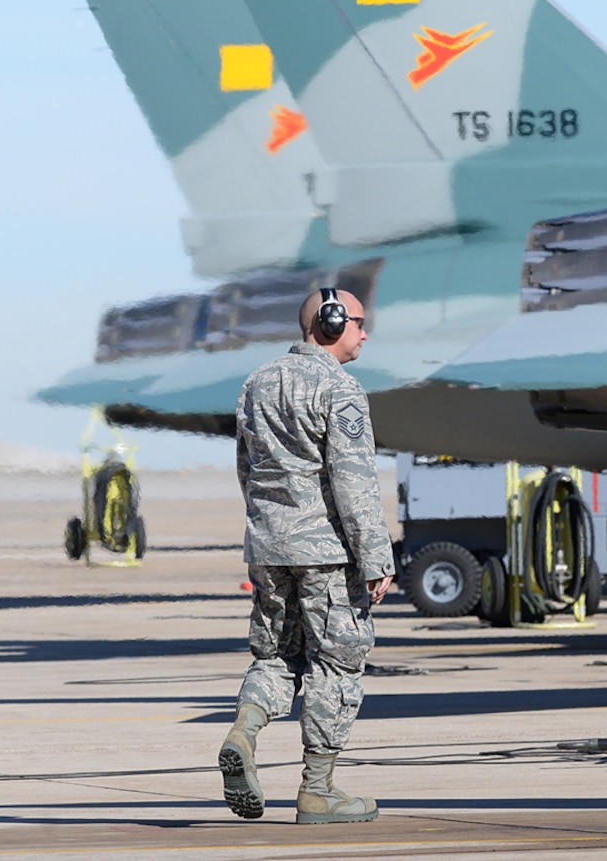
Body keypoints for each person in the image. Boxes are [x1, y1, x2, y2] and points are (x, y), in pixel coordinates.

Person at [217, 287, 395, 824]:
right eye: (359, 322)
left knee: (275, 657)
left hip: (269, 548)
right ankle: (318, 791)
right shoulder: (340, 389)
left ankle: (243, 734)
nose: (365, 333)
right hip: (327, 553)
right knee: (337, 664)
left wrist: (267, 532)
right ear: (332, 321)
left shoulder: (257, 383)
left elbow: (247, 470)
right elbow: (354, 482)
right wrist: (376, 558)